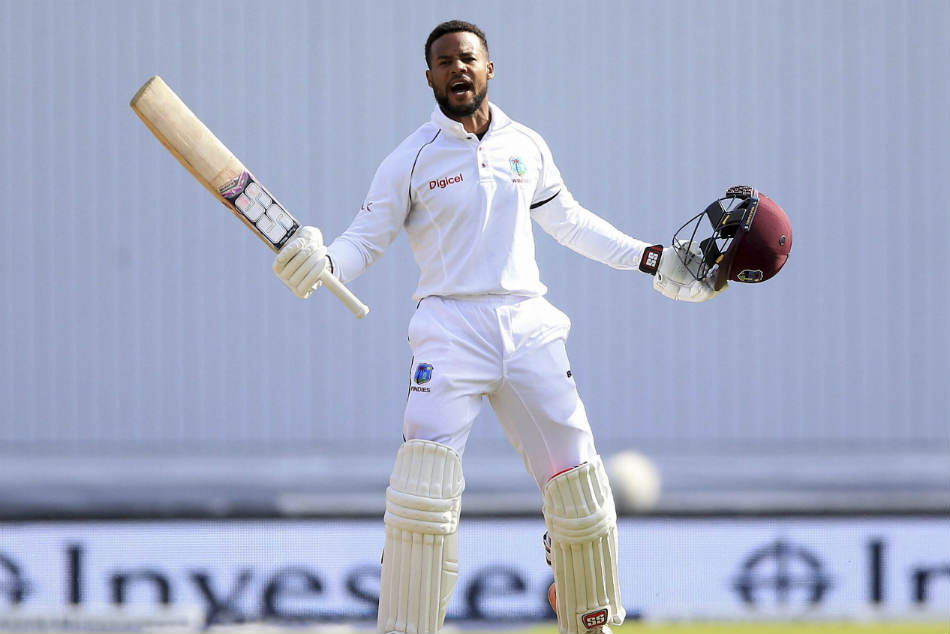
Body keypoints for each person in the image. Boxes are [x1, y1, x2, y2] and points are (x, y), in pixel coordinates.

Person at [273, 20, 725, 634]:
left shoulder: (525, 145)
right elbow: (365, 239)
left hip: (528, 324)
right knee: (423, 495)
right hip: (448, 329)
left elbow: (570, 221)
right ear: (429, 77)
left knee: (579, 486)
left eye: (468, 58)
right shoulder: (410, 159)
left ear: (489, 68)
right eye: (444, 62)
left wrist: (648, 257)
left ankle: (588, 619)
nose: (457, 69)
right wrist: (323, 263)